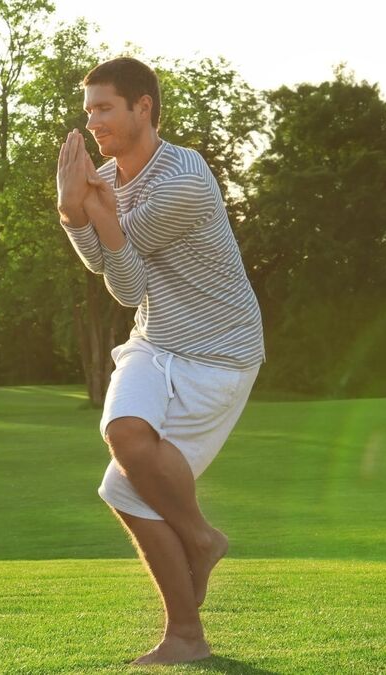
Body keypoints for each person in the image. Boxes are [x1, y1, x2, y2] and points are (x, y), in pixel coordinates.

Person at [56, 57, 265, 666]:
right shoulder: (105, 178)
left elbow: (124, 278)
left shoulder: (185, 179)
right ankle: (201, 540)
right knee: (122, 432)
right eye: (88, 110)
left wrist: (86, 211)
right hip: (157, 339)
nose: (93, 122)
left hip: (219, 351)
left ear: (143, 107)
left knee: (125, 491)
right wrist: (78, 214)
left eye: (104, 108)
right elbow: (105, 266)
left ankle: (186, 636)